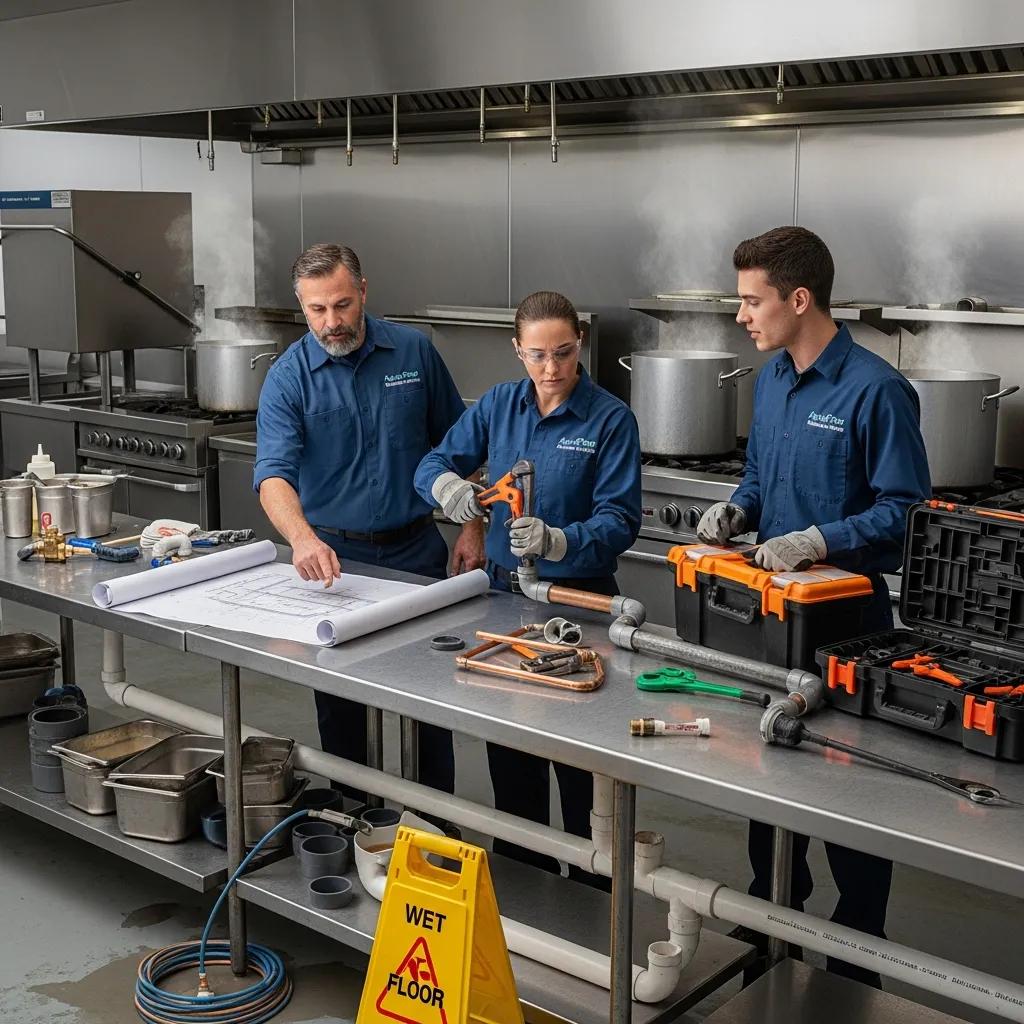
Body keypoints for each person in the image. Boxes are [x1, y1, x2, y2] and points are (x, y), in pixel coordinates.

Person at [697, 225, 931, 986]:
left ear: (799, 299)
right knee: (768, 789)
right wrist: (737, 509)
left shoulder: (876, 389)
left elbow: (907, 518)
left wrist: (818, 539)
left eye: (751, 300)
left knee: (850, 810)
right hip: (775, 626)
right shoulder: (770, 381)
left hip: (852, 640)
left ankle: (854, 968)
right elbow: (762, 478)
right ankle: (769, 939)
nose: (741, 316)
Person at [414, 290, 641, 884]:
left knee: (580, 763)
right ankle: (526, 882)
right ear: (517, 351)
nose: (551, 369)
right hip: (504, 603)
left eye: (563, 353)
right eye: (537, 355)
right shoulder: (497, 407)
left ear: (579, 344)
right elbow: (431, 461)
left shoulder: (610, 419)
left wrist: (559, 542)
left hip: (579, 605)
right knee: (512, 754)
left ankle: (594, 888)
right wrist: (448, 491)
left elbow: (620, 521)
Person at [254, 242, 486, 802]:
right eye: (316, 311)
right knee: (342, 710)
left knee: (431, 700)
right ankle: (354, 821)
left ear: (363, 291)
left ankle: (435, 825)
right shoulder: (289, 378)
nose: (331, 323)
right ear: (301, 308)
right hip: (335, 565)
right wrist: (302, 539)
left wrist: (473, 526)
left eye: (341, 305)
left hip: (417, 552)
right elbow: (273, 477)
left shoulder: (413, 352)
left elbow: (462, 445)